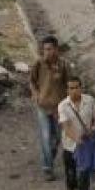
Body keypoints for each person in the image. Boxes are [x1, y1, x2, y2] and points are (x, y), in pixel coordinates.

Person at [58, 75, 95, 190]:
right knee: (71, 173)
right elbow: (65, 127)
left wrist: (93, 129)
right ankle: (70, 187)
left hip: (86, 146)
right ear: (67, 90)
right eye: (71, 88)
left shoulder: (90, 101)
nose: (75, 90)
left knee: (84, 174)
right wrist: (76, 139)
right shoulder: (63, 106)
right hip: (70, 145)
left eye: (77, 87)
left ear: (81, 88)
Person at [29, 35, 69, 181]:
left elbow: (70, 85)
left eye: (50, 49)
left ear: (56, 49)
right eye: (45, 49)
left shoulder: (64, 65)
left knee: (57, 139)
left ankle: (48, 158)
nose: (47, 52)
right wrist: (36, 95)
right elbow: (32, 81)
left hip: (59, 109)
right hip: (43, 107)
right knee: (45, 138)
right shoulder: (39, 64)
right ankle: (47, 168)